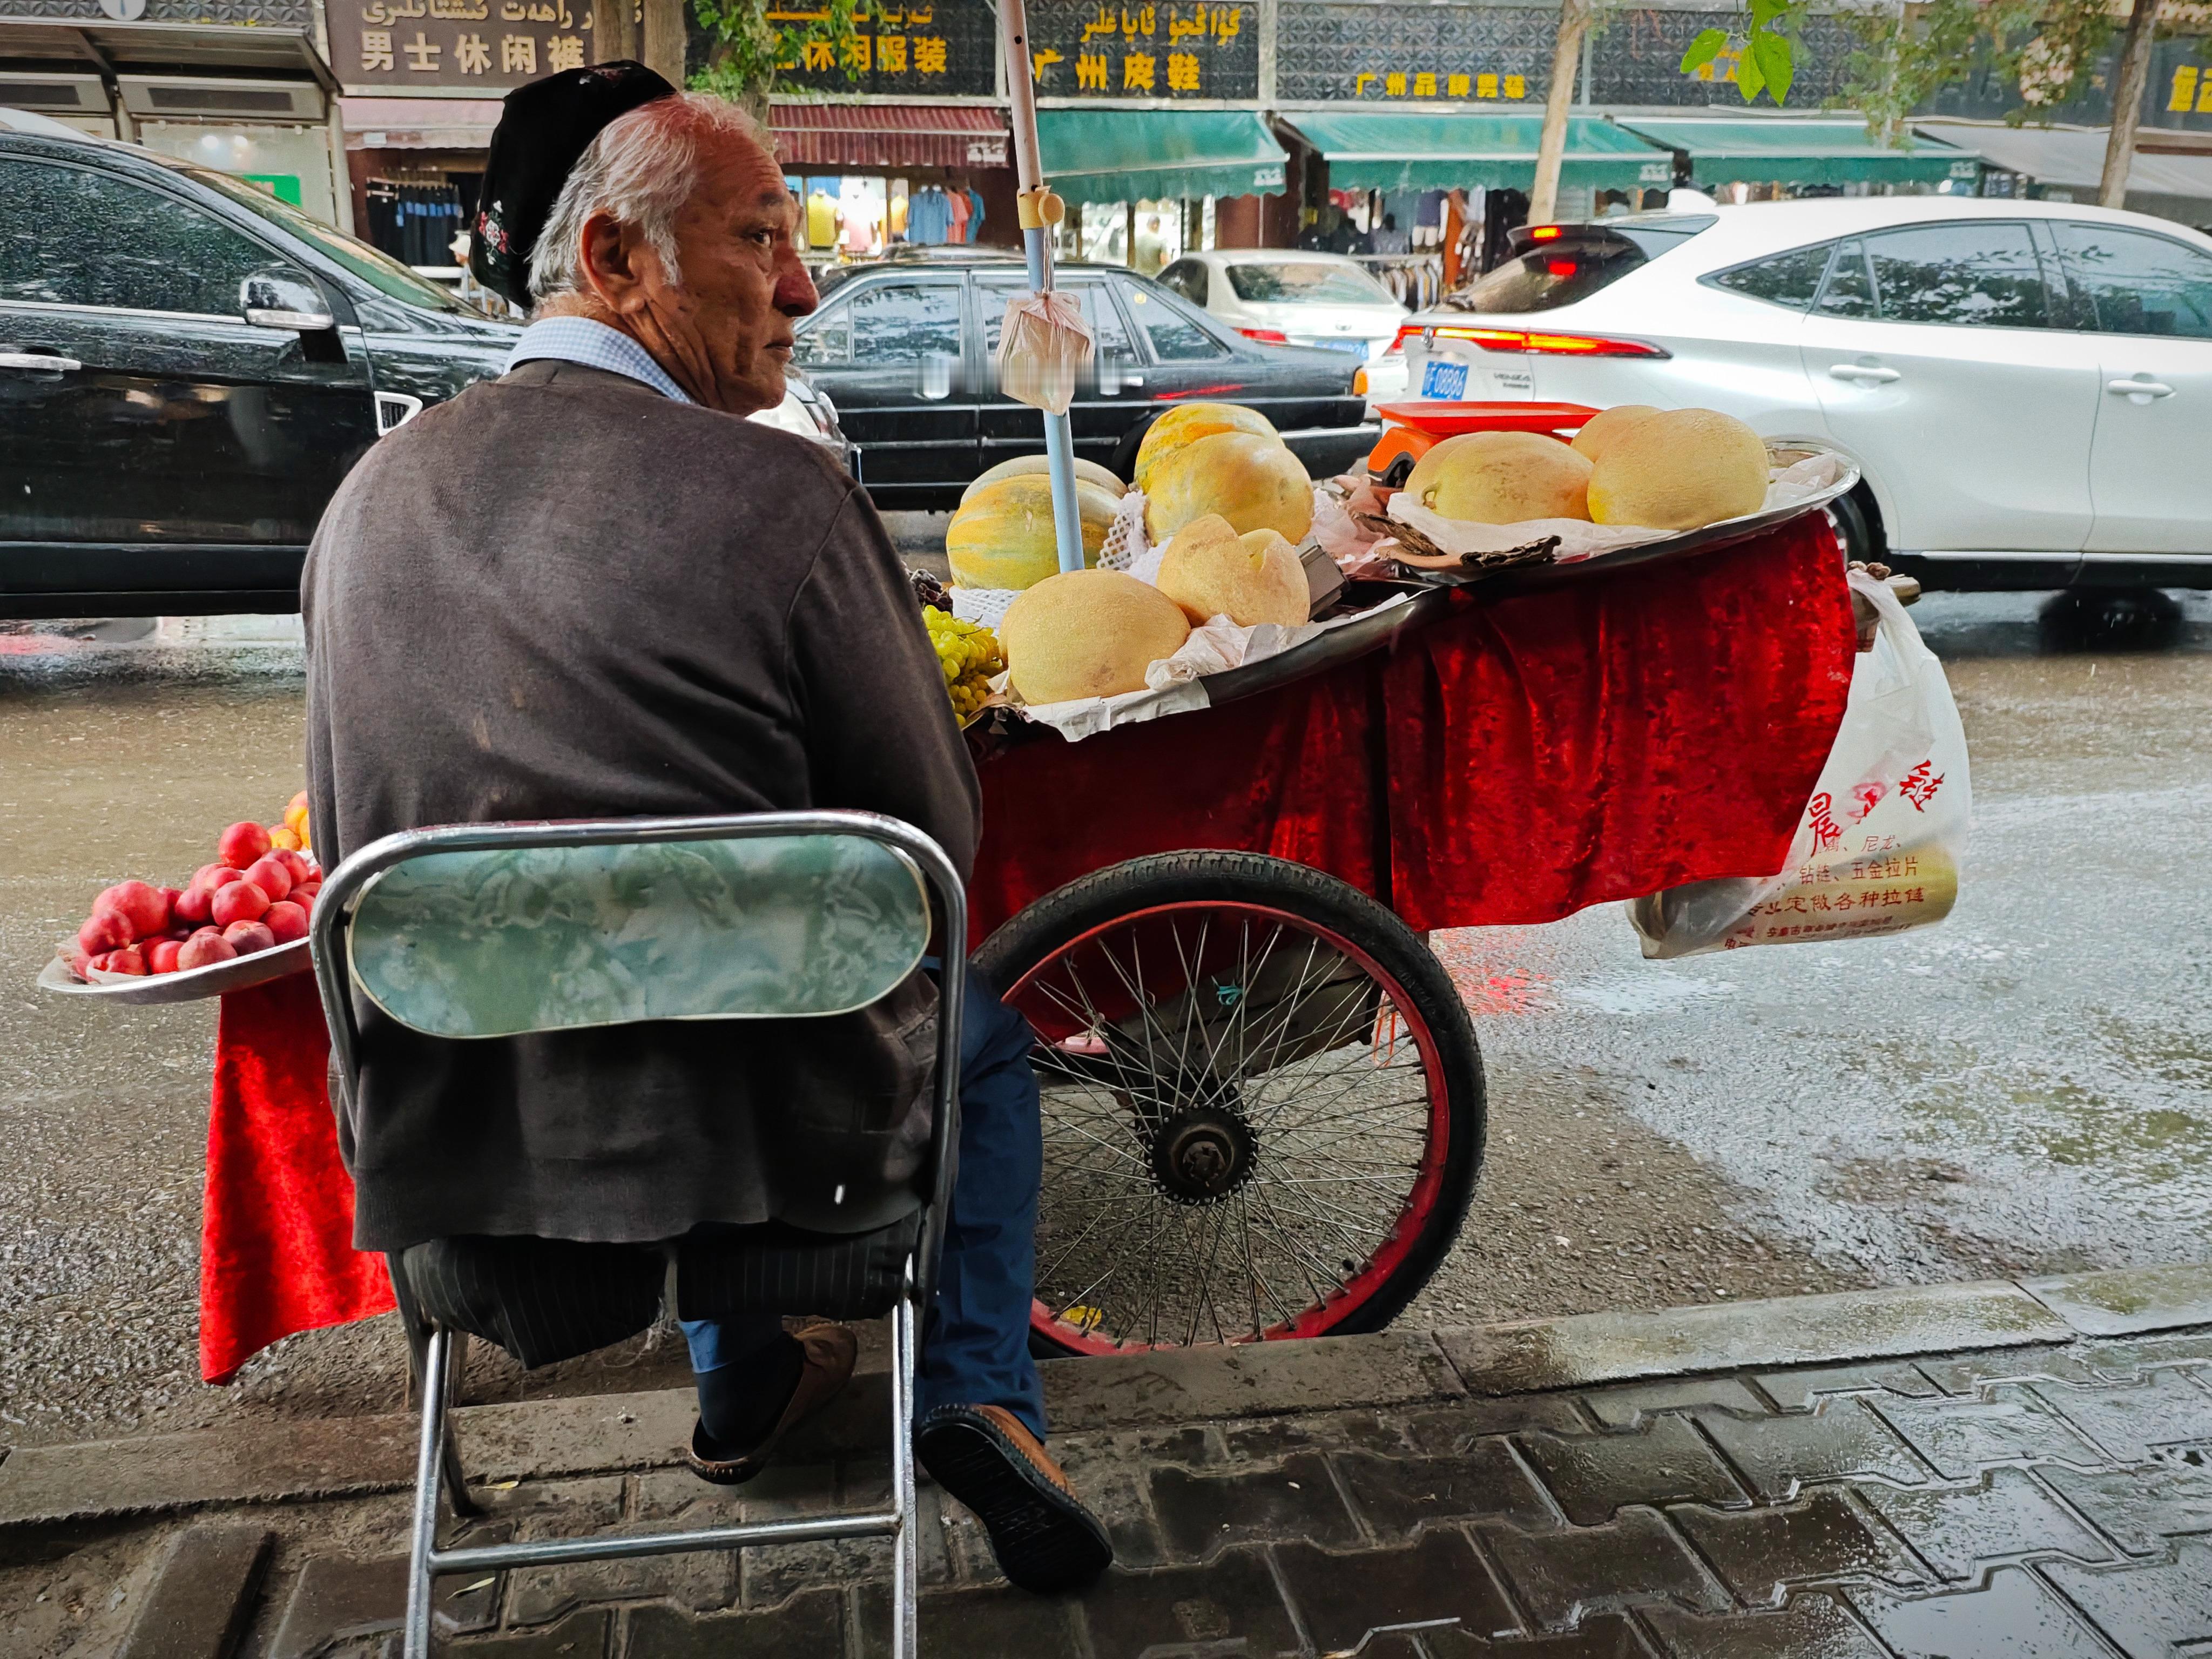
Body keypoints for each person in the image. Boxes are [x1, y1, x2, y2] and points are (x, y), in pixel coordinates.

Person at [302, 64, 1112, 1596]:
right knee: (976, 1020)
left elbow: (350, 837)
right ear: (615, 259)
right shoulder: (785, 498)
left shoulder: (368, 498)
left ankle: (745, 1391)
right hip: (795, 1168)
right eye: (759, 239)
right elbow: (932, 840)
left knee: (728, 974)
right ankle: (981, 1393)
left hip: (469, 1164)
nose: (803, 287)